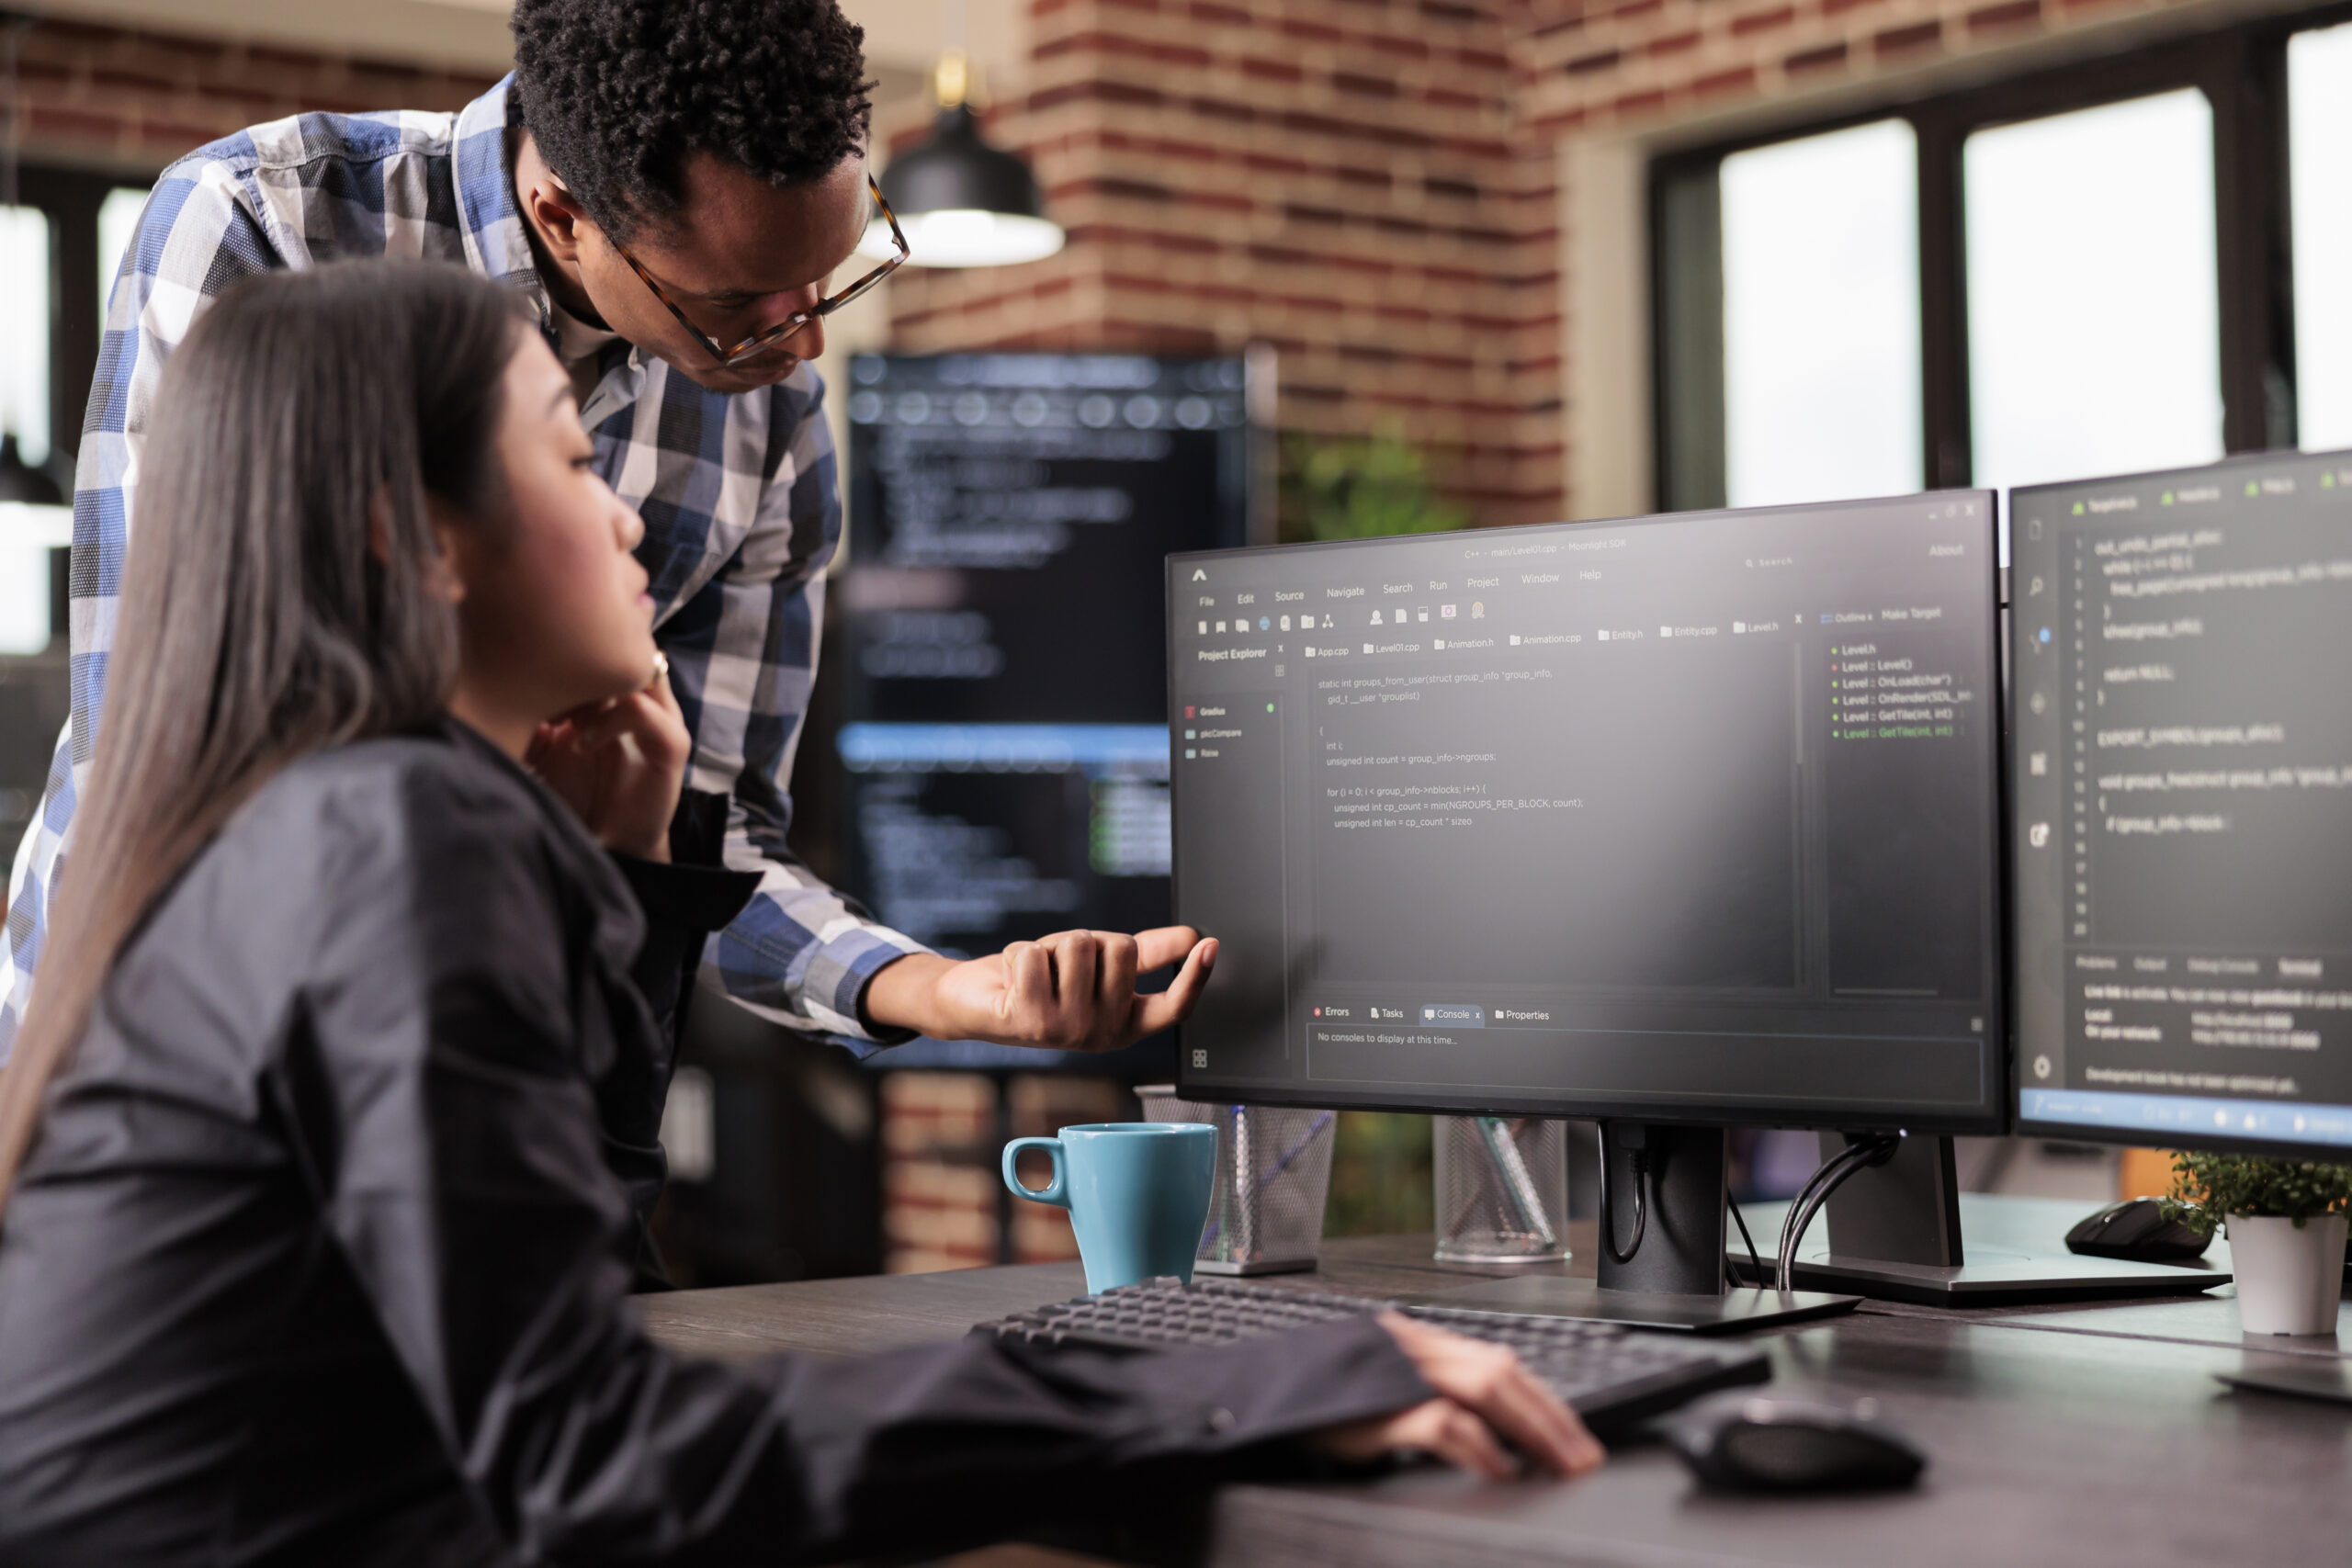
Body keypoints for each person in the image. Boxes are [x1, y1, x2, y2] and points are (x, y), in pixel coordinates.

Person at [0, 261, 1603, 1566]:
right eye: (570, 456)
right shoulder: (394, 835)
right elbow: (596, 1465)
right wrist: (1231, 1391)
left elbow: (554, 1290)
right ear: (411, 538)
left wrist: (634, 890)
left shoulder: (294, 824)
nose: (631, 515)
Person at [0, 0, 1194, 1067]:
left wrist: (938, 987)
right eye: (736, 309)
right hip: (166, 1040)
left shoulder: (769, 415)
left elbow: (705, 849)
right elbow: (176, 734)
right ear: (561, 215)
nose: (803, 350)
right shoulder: (275, 222)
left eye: (829, 277)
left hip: (492, 1053)